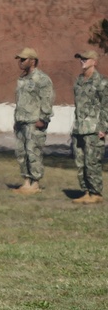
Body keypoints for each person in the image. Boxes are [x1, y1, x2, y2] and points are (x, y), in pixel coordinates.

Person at [12, 47, 54, 194]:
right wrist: (16, 119)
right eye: (20, 60)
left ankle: (35, 183)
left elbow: (47, 100)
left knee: (33, 152)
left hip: (34, 122)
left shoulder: (42, 79)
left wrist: (43, 118)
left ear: (33, 61)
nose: (20, 62)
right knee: (21, 153)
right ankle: (26, 181)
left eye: (23, 59)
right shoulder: (22, 79)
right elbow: (20, 101)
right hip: (21, 121)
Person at [70, 49, 108, 204]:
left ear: (94, 61)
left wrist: (104, 128)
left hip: (93, 128)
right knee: (80, 162)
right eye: (80, 58)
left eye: (86, 58)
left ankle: (96, 193)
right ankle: (86, 191)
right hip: (79, 128)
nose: (82, 61)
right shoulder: (79, 81)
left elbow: (106, 106)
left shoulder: (102, 82)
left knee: (92, 161)